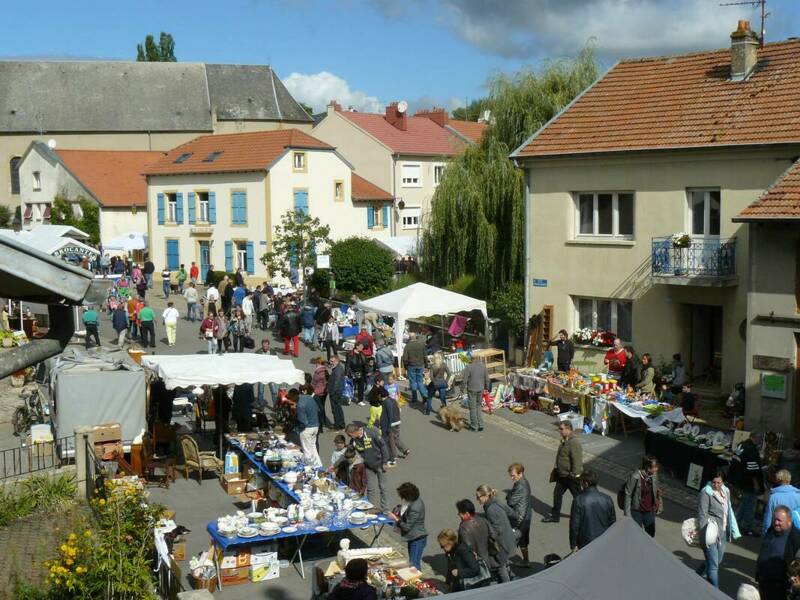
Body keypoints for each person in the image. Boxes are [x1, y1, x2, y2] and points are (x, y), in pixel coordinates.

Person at [696, 471, 741, 589]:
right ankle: (716, 592)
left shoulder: (726, 491)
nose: (716, 485)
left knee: (717, 560)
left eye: (719, 482)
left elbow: (728, 510)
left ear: (723, 482)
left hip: (722, 532)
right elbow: (702, 515)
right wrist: (704, 535)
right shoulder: (706, 493)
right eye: (713, 482)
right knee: (714, 566)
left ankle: (696, 575)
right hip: (710, 533)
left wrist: (732, 529)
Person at [756, 506, 800, 600]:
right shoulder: (771, 530)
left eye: (779, 520)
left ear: (789, 521)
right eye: (774, 519)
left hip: (780, 588)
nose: (776, 523)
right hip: (764, 582)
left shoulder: (796, 538)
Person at [543, 420, 583, 523]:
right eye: (559, 429)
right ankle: (555, 516)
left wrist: (574, 475)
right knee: (557, 494)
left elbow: (577, 461)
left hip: (571, 476)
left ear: (568, 429)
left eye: (561, 429)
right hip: (562, 475)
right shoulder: (565, 440)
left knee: (578, 498)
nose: (559, 431)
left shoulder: (574, 443)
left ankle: (584, 516)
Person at [475, 484, 515, 583]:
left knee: (500, 566)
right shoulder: (495, 502)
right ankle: (511, 577)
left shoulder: (490, 509)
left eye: (478, 497)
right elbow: (511, 513)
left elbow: (497, 529)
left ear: (486, 496)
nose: (477, 499)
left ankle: (507, 586)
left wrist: (485, 533)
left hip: (503, 543)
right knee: (505, 563)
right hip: (509, 539)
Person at [569, 468, 616, 551]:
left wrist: (573, 544)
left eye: (581, 482)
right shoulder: (608, 499)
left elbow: (574, 526)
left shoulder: (579, 500)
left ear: (586, 483)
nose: (580, 484)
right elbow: (612, 522)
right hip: (603, 540)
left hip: (586, 542)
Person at [345, 423, 389, 511]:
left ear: (354, 432)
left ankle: (385, 509)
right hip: (368, 466)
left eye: (349, 435)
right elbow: (349, 452)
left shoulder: (371, 433)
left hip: (380, 464)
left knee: (383, 487)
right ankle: (370, 508)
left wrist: (385, 462)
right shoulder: (353, 441)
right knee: (370, 489)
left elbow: (383, 445)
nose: (349, 437)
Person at [388, 482, 427, 571]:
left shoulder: (415, 508)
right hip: (414, 537)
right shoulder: (416, 501)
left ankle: (416, 582)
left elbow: (406, 527)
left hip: (417, 539)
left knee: (414, 565)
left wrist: (396, 519)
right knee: (413, 562)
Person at [731, 431, 763, 536]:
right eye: (760, 438)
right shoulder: (752, 449)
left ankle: (736, 523)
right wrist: (756, 484)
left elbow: (735, 460)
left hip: (739, 479)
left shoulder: (741, 445)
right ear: (756, 438)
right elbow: (752, 469)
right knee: (750, 505)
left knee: (744, 503)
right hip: (748, 483)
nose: (761, 441)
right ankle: (747, 527)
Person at [623, 455, 661, 537]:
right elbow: (628, 494)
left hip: (650, 510)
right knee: (637, 535)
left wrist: (658, 504)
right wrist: (627, 514)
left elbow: (656, 490)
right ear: (647, 467)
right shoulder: (635, 476)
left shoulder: (654, 475)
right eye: (654, 467)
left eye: (656, 467)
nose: (656, 469)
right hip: (637, 511)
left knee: (650, 534)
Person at [506, 463, 532, 566]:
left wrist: (508, 495)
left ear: (520, 473)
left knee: (509, 540)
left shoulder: (520, 485)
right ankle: (526, 561)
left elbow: (511, 501)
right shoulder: (523, 482)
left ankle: (503, 564)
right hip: (526, 517)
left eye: (513, 475)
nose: (512, 478)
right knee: (523, 541)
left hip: (519, 518)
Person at [456, 499, 492, 568]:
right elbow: (493, 535)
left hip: (476, 563)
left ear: (466, 513)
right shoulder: (483, 520)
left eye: (460, 512)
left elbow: (467, 546)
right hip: (487, 558)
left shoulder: (463, 527)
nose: (458, 514)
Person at [380, 382, 409, 465]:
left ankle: (393, 456)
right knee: (395, 437)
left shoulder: (386, 402)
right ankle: (405, 450)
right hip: (397, 422)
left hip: (391, 425)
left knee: (391, 441)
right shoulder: (393, 400)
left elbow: (389, 414)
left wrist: (388, 425)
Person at [763, 469, 800, 535]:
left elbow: (768, 518)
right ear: (789, 479)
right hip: (795, 532)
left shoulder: (774, 497)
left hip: (779, 532)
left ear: (777, 480)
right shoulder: (798, 495)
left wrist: (765, 534)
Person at [295, 388, 322, 468]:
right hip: (315, 426)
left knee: (307, 451)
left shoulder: (300, 404)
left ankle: (309, 469)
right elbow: (318, 409)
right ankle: (318, 465)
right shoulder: (309, 397)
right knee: (313, 447)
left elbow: (303, 421)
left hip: (307, 429)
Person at [462, 355, 490, 432]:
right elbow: (487, 378)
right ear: (478, 359)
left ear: (471, 359)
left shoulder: (468, 367)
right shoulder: (483, 366)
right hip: (480, 389)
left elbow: (464, 380)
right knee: (478, 406)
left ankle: (474, 426)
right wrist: (487, 388)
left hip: (471, 389)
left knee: (472, 408)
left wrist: (462, 389)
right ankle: (480, 424)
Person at [402, 332, 429, 406]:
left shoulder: (407, 346)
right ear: (415, 337)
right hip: (420, 365)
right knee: (420, 381)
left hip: (411, 366)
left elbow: (405, 359)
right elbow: (425, 356)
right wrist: (426, 366)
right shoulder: (421, 344)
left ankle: (414, 398)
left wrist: (406, 367)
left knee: (413, 382)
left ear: (409, 338)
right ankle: (424, 395)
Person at [312, 357, 331, 432]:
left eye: (316, 363)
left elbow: (314, 382)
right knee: (322, 406)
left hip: (317, 392)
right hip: (324, 392)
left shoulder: (318, 371)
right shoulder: (325, 370)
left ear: (318, 363)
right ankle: (324, 421)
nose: (315, 365)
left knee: (319, 408)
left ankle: (320, 423)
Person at [328, 356, 347, 430]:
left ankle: (337, 426)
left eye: (332, 361)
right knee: (338, 408)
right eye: (330, 361)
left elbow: (337, 382)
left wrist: (332, 392)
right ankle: (341, 424)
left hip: (335, 392)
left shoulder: (338, 369)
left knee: (335, 410)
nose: (331, 363)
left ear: (337, 361)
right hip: (337, 391)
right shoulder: (337, 367)